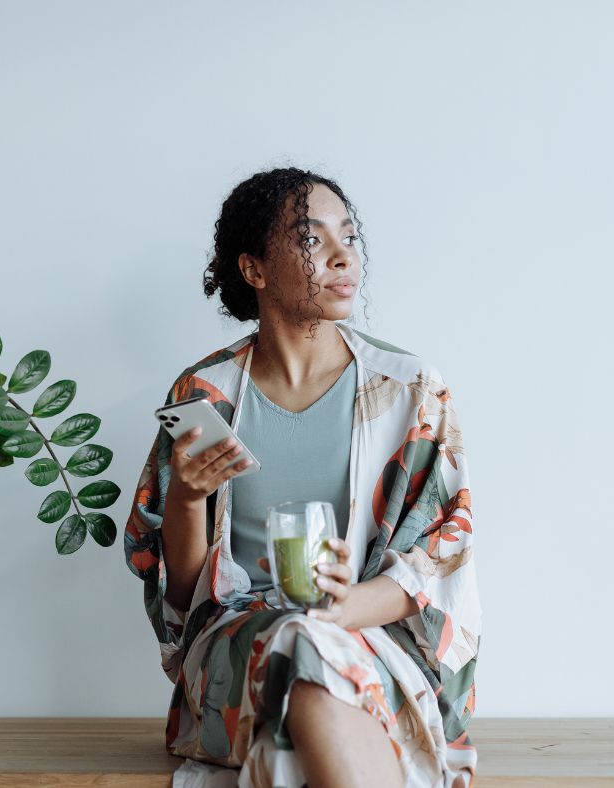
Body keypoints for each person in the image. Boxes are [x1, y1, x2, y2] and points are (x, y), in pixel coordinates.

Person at [124, 167, 481, 788]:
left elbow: (441, 559)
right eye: (313, 239)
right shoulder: (204, 395)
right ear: (255, 269)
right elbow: (181, 600)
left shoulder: (410, 392)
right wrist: (185, 496)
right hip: (237, 653)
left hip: (372, 641)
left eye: (349, 234)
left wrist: (345, 608)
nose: (345, 254)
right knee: (300, 641)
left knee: (308, 659)